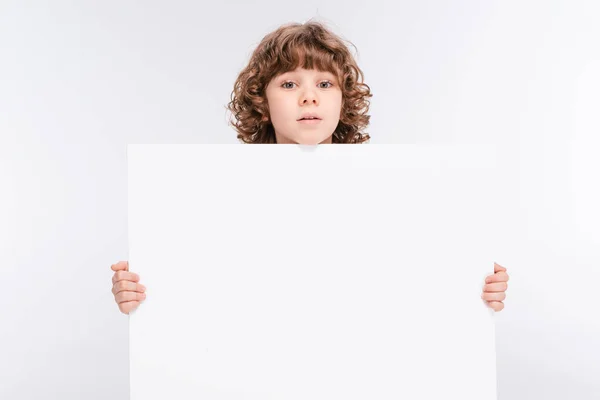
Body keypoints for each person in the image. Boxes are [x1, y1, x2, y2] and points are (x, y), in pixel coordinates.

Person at [110, 20, 510, 315]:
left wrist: (473, 288)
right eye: (288, 84)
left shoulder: (393, 191)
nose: (308, 98)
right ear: (261, 102)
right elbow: (207, 287)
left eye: (324, 84)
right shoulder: (218, 195)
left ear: (344, 98)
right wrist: (142, 293)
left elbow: (408, 284)